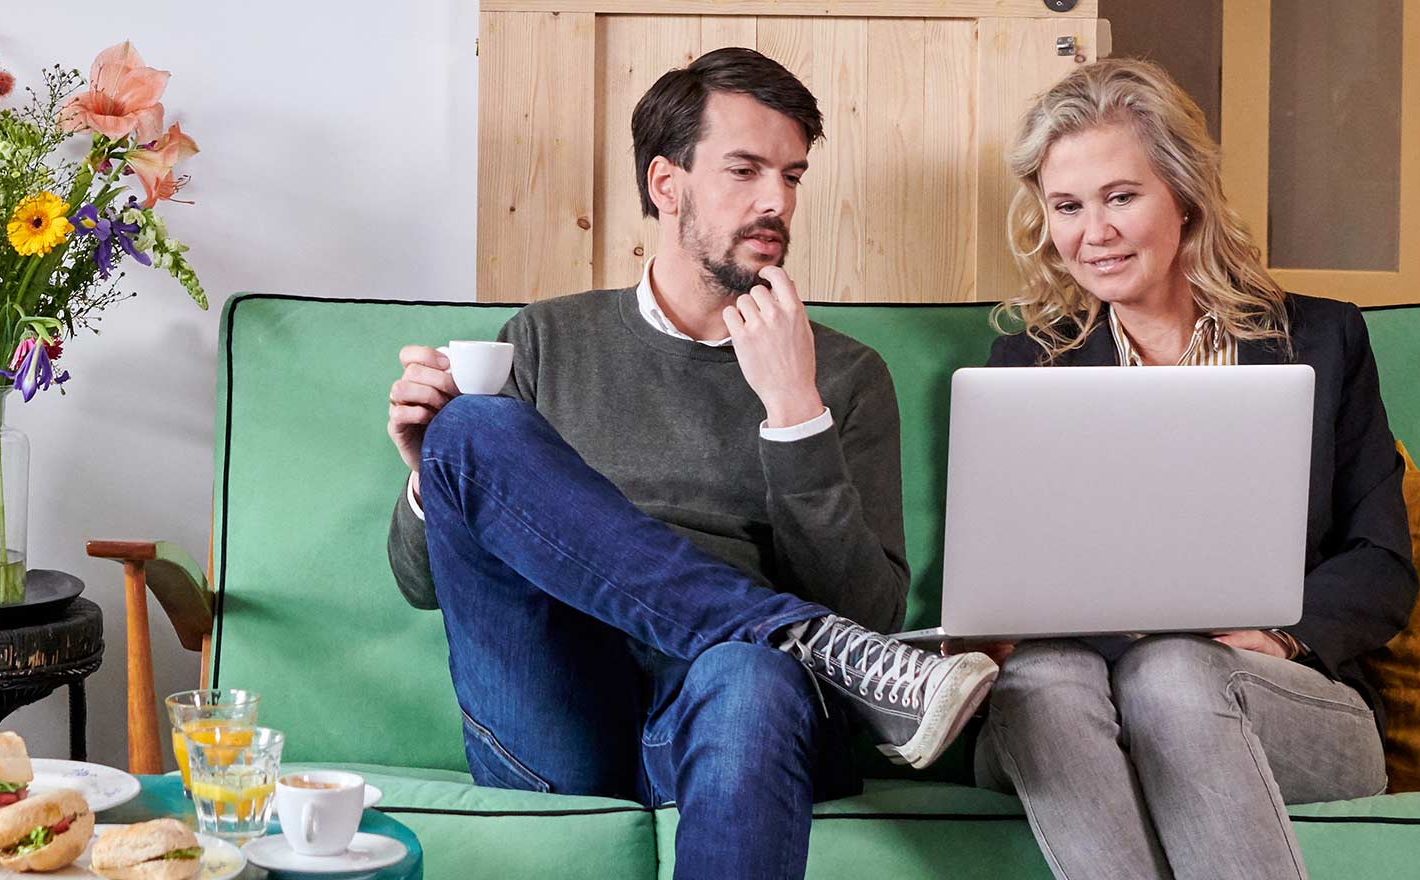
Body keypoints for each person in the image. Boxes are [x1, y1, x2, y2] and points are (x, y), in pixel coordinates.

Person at [382, 46, 999, 879]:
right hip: (555, 712)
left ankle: (781, 643)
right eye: (744, 169)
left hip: (737, 717)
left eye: (792, 175)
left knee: (750, 672)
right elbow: (423, 583)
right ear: (666, 184)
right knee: (470, 429)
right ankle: (795, 636)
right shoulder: (544, 339)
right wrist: (434, 475)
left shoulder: (844, 376)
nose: (776, 200)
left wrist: (794, 415)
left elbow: (870, 610)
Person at [968, 58, 1417, 880]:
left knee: (1172, 673)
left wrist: (1283, 636)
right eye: (1067, 206)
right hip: (1071, 704)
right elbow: (994, 589)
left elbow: (1381, 561)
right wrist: (994, 627)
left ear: (1183, 195)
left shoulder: (1320, 343)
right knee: (1048, 680)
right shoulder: (1024, 365)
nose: (1092, 233)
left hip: (1280, 701)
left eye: (1121, 196)